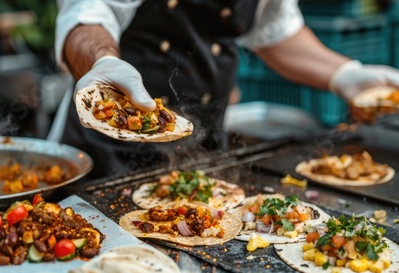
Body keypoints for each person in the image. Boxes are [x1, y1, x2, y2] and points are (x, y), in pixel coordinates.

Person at [53, 0, 399, 180]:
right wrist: (101, 62)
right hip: (104, 155)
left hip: (200, 156)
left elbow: (276, 28)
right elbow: (86, 17)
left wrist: (345, 74)